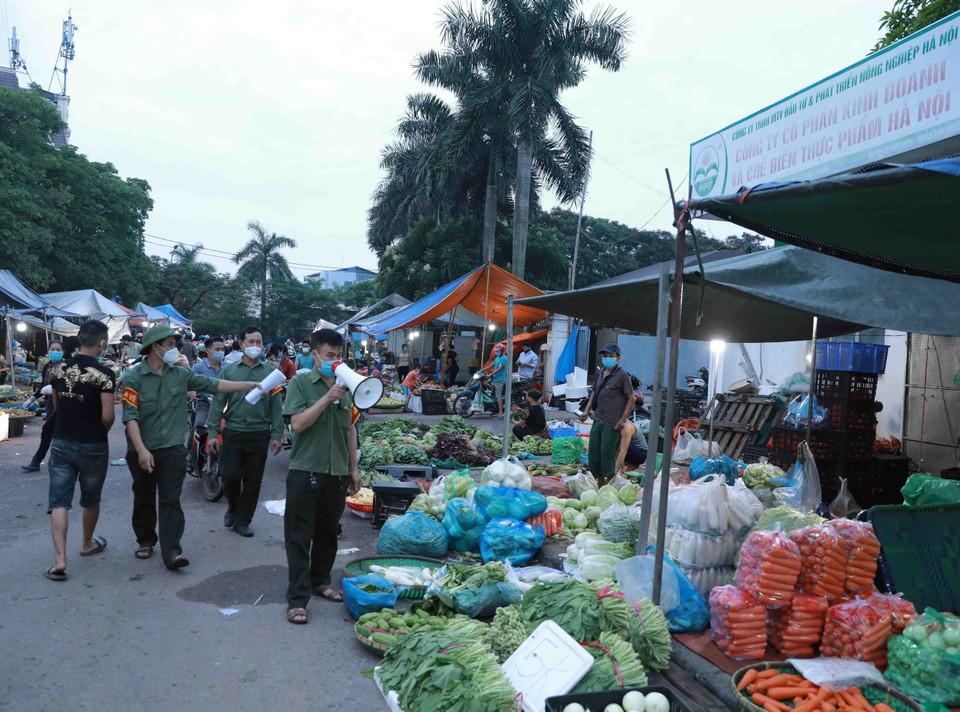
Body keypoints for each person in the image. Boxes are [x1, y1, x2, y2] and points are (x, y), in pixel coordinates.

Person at [121, 324, 261, 570]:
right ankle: (145, 540)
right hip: (141, 449)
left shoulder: (181, 374)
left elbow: (214, 385)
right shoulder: (134, 377)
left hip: (173, 449)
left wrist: (247, 385)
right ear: (155, 347)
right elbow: (130, 417)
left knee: (170, 500)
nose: (177, 349)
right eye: (171, 345)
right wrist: (141, 450)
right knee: (143, 497)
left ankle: (172, 552)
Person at [282, 328, 360, 624]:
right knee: (299, 536)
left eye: (340, 356)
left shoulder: (348, 385)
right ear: (314, 355)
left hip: (336, 472)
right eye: (330, 355)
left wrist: (353, 468)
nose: (335, 361)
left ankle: (321, 581)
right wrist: (327, 397)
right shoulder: (300, 383)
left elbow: (350, 429)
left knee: (329, 532)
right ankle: (297, 598)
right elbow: (298, 425)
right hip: (306, 470)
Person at [44, 321, 116, 581]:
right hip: (94, 444)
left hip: (62, 442)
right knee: (90, 499)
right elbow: (108, 416)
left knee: (59, 501)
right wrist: (100, 428)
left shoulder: (58, 368)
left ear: (79, 340)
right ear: (102, 343)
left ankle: (60, 560)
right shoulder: (105, 374)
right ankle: (87, 544)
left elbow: (56, 405)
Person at [207, 326, 283, 537]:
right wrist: (212, 432)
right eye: (251, 342)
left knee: (253, 480)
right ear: (241, 344)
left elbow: (277, 406)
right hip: (233, 431)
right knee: (230, 475)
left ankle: (243, 521)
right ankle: (232, 505)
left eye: (259, 342)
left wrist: (277, 434)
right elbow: (217, 402)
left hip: (259, 433)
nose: (255, 346)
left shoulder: (270, 373)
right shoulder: (229, 371)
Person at [579, 343, 636, 481]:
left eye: (611, 356)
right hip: (597, 418)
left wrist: (622, 420)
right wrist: (586, 411)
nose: (607, 358)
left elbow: (631, 399)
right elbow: (594, 393)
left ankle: (609, 484)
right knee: (593, 454)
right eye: (605, 356)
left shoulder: (623, 376)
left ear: (618, 358)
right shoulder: (600, 373)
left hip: (612, 423)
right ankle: (600, 483)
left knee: (608, 455)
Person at [22, 339, 75, 472]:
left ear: (63, 352)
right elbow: (42, 386)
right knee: (56, 433)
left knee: (49, 432)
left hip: (62, 406)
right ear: (48, 351)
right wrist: (32, 399)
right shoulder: (47, 367)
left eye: (58, 350)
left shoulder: (67, 366)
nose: (55, 352)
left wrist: (53, 389)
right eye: (53, 349)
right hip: (49, 405)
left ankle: (37, 461)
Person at [191, 336, 225, 435]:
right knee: (199, 426)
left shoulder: (228, 367)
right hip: (204, 404)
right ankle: (191, 449)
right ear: (208, 350)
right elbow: (190, 384)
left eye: (222, 349)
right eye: (217, 349)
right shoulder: (198, 368)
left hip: (224, 405)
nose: (221, 352)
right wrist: (193, 392)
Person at [479, 344, 508, 417]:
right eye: (496, 351)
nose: (496, 352)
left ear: (501, 351)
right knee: (488, 387)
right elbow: (491, 366)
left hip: (500, 380)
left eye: (497, 351)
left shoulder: (504, 358)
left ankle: (501, 413)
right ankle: (493, 408)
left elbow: (500, 368)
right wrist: (482, 370)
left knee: (498, 396)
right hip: (494, 379)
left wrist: (490, 374)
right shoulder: (497, 358)